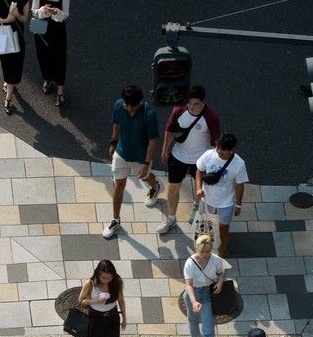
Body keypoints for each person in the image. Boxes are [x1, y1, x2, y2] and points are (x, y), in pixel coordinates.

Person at [157, 86, 221, 234]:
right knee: (173, 188)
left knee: (200, 188)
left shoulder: (211, 117)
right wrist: (165, 150)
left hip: (200, 160)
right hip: (178, 156)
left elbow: (215, 141)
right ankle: (171, 218)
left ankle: (195, 206)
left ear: (203, 102)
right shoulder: (179, 109)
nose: (191, 107)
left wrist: (210, 162)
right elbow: (170, 128)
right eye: (189, 103)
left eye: (195, 104)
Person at [104, 84, 160, 239]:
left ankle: (155, 186)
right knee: (119, 184)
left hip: (141, 158)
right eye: (127, 105)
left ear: (139, 102)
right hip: (121, 153)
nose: (129, 109)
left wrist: (147, 163)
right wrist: (113, 142)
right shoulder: (119, 105)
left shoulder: (149, 114)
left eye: (133, 107)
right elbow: (116, 123)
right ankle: (116, 220)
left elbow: (153, 140)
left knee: (144, 177)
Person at [194, 133, 248, 257]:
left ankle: (220, 259)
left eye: (222, 149)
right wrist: (198, 188)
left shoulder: (239, 164)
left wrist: (238, 205)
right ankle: (203, 254)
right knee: (206, 228)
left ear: (231, 150)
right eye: (218, 147)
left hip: (226, 203)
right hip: (207, 200)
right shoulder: (209, 155)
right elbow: (199, 170)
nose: (218, 151)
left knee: (224, 230)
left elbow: (240, 185)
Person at [182, 234, 229, 337]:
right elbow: (189, 284)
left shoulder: (216, 260)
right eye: (202, 251)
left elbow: (220, 273)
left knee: (208, 327)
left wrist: (220, 282)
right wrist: (194, 302)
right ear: (197, 249)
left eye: (207, 252)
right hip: (194, 292)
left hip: (209, 293)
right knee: (193, 319)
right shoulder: (190, 263)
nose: (205, 254)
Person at [0, 0, 29, 114]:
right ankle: (7, 82)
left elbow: (25, 19)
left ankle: (8, 99)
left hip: (17, 37)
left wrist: (17, 14)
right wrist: (7, 20)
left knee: (14, 64)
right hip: (3, 36)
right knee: (6, 63)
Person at [31, 0, 69, 107]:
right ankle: (47, 79)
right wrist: (42, 11)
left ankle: (60, 90)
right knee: (43, 56)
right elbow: (34, 12)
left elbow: (65, 15)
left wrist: (57, 13)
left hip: (58, 30)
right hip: (41, 29)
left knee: (60, 58)